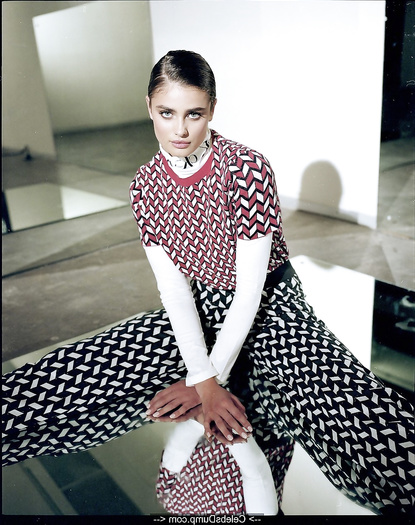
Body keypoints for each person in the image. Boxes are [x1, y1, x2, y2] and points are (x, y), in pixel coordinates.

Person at [2, 50, 414, 516]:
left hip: (273, 309)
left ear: (212, 109)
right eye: (166, 113)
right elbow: (175, 291)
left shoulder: (246, 169)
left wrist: (205, 381)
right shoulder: (145, 186)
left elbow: (250, 291)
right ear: (149, 107)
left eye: (194, 114)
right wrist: (204, 379)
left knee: (358, 409)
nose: (179, 129)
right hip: (199, 306)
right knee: (79, 366)